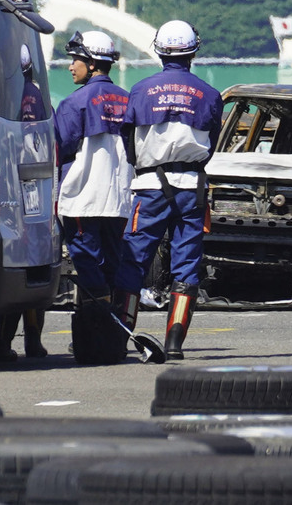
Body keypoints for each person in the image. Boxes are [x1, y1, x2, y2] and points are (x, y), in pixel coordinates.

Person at [114, 20, 222, 360]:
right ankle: (174, 345)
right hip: (192, 187)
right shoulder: (210, 95)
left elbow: (128, 142)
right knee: (186, 265)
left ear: (159, 51)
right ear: (193, 52)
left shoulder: (140, 90)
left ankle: (121, 337)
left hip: (149, 187)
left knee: (134, 261)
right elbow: (213, 144)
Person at [53, 31, 132, 344]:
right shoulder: (128, 100)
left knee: (87, 268)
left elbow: (60, 151)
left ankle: (94, 336)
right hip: (120, 202)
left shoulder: (74, 103)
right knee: (111, 266)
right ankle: (110, 337)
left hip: (83, 199)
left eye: (76, 60)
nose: (71, 66)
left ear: (93, 63)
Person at [0, 45, 51, 361]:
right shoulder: (34, 94)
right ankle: (31, 342)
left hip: (9, 189)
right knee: (31, 267)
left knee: (19, 266)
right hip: (31, 190)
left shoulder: (7, 93)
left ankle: (6, 344)